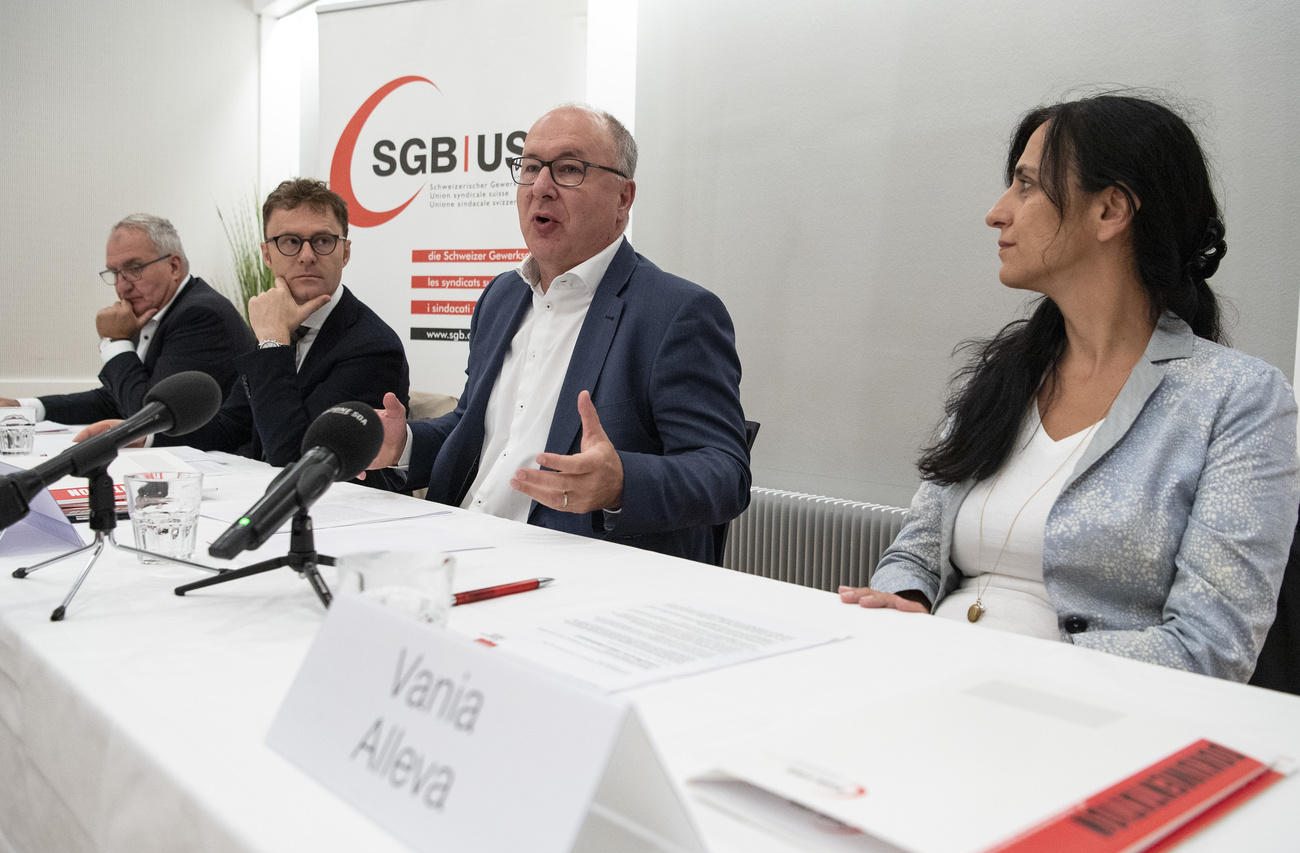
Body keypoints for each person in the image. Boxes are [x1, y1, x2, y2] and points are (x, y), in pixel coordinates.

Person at [839, 94, 1300, 682]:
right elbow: (914, 552)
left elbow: (1211, 648)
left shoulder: (1238, 398)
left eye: (1027, 185)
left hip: (1086, 708)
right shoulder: (1002, 376)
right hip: (932, 675)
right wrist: (903, 602)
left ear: (1110, 210)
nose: (997, 213)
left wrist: (1000, 662)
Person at [366, 105, 751, 563]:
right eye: (530, 168)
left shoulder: (676, 312)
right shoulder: (502, 296)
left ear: (623, 198)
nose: (541, 187)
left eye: (569, 169)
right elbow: (475, 430)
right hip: (455, 545)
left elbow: (725, 474)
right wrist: (404, 443)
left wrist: (621, 482)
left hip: (566, 570)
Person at [78, 180, 410, 482]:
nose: (307, 256)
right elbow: (228, 427)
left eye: (323, 241)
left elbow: (295, 458)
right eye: (290, 242)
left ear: (345, 252)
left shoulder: (372, 346)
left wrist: (273, 342)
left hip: (348, 514)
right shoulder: (279, 324)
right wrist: (144, 436)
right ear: (267, 254)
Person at [1, 214, 254, 423]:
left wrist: (117, 341)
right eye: (114, 273)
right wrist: (26, 408)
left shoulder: (200, 315)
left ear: (174, 267)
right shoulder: (154, 309)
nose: (122, 287)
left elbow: (148, 417)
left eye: (134, 269)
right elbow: (115, 400)